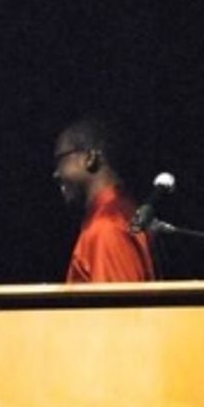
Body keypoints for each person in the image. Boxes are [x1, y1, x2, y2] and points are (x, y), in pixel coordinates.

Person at [51, 116, 157, 283]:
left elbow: (119, 308)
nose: (56, 173)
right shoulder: (124, 213)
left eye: (60, 160)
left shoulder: (107, 226)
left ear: (90, 158)